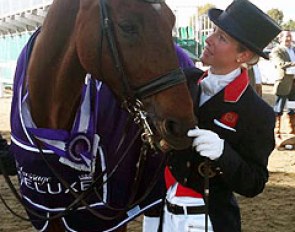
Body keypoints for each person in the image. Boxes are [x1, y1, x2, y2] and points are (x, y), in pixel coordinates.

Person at [162, 0, 281, 231]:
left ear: (243, 55)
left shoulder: (257, 112)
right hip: (164, 210)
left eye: (222, 37)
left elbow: (254, 183)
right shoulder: (185, 81)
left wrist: (223, 153)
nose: (209, 39)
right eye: (214, 31)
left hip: (209, 220)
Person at [271, 30, 295, 144]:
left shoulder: (293, 49)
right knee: (278, 108)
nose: (289, 39)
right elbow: (280, 64)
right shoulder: (277, 50)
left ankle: (292, 130)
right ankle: (277, 131)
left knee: (292, 107)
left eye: (290, 36)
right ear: (280, 39)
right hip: (283, 83)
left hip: (293, 84)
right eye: (286, 37)